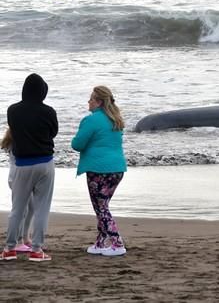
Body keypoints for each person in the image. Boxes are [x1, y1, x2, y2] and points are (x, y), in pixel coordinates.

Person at [2, 73, 58, 262]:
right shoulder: (49, 111)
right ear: (43, 91)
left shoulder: (13, 110)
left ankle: (10, 249)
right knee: (42, 208)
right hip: (44, 162)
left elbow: (14, 130)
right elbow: (53, 132)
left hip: (21, 164)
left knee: (17, 209)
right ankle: (36, 250)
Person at [71, 86, 128, 257]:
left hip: (99, 170)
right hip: (117, 169)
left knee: (101, 208)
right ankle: (101, 242)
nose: (88, 102)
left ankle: (117, 242)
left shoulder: (91, 120)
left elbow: (77, 144)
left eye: (91, 99)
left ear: (99, 102)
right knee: (101, 206)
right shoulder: (115, 119)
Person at [1, 129, 34, 253]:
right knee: (22, 210)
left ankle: (25, 238)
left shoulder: (13, 138)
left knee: (32, 207)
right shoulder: (15, 141)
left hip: (20, 176)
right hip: (17, 177)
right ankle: (18, 241)